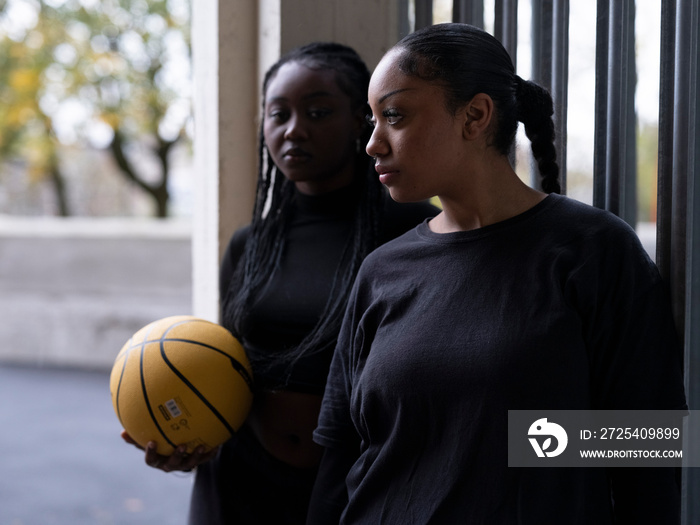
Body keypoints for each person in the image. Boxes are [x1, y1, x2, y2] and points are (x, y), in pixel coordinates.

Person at [310, 23, 687, 524]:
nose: (373, 144)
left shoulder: (591, 251)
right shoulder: (382, 270)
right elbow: (341, 455)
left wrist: (529, 445)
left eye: (394, 116)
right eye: (372, 121)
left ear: (476, 115)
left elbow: (650, 444)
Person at [121, 42, 438, 524]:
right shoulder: (251, 244)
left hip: (355, 487)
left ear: (360, 120)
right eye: (278, 114)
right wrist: (190, 437)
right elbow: (227, 372)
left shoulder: (416, 232)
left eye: (317, 111)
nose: (294, 129)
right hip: (238, 484)